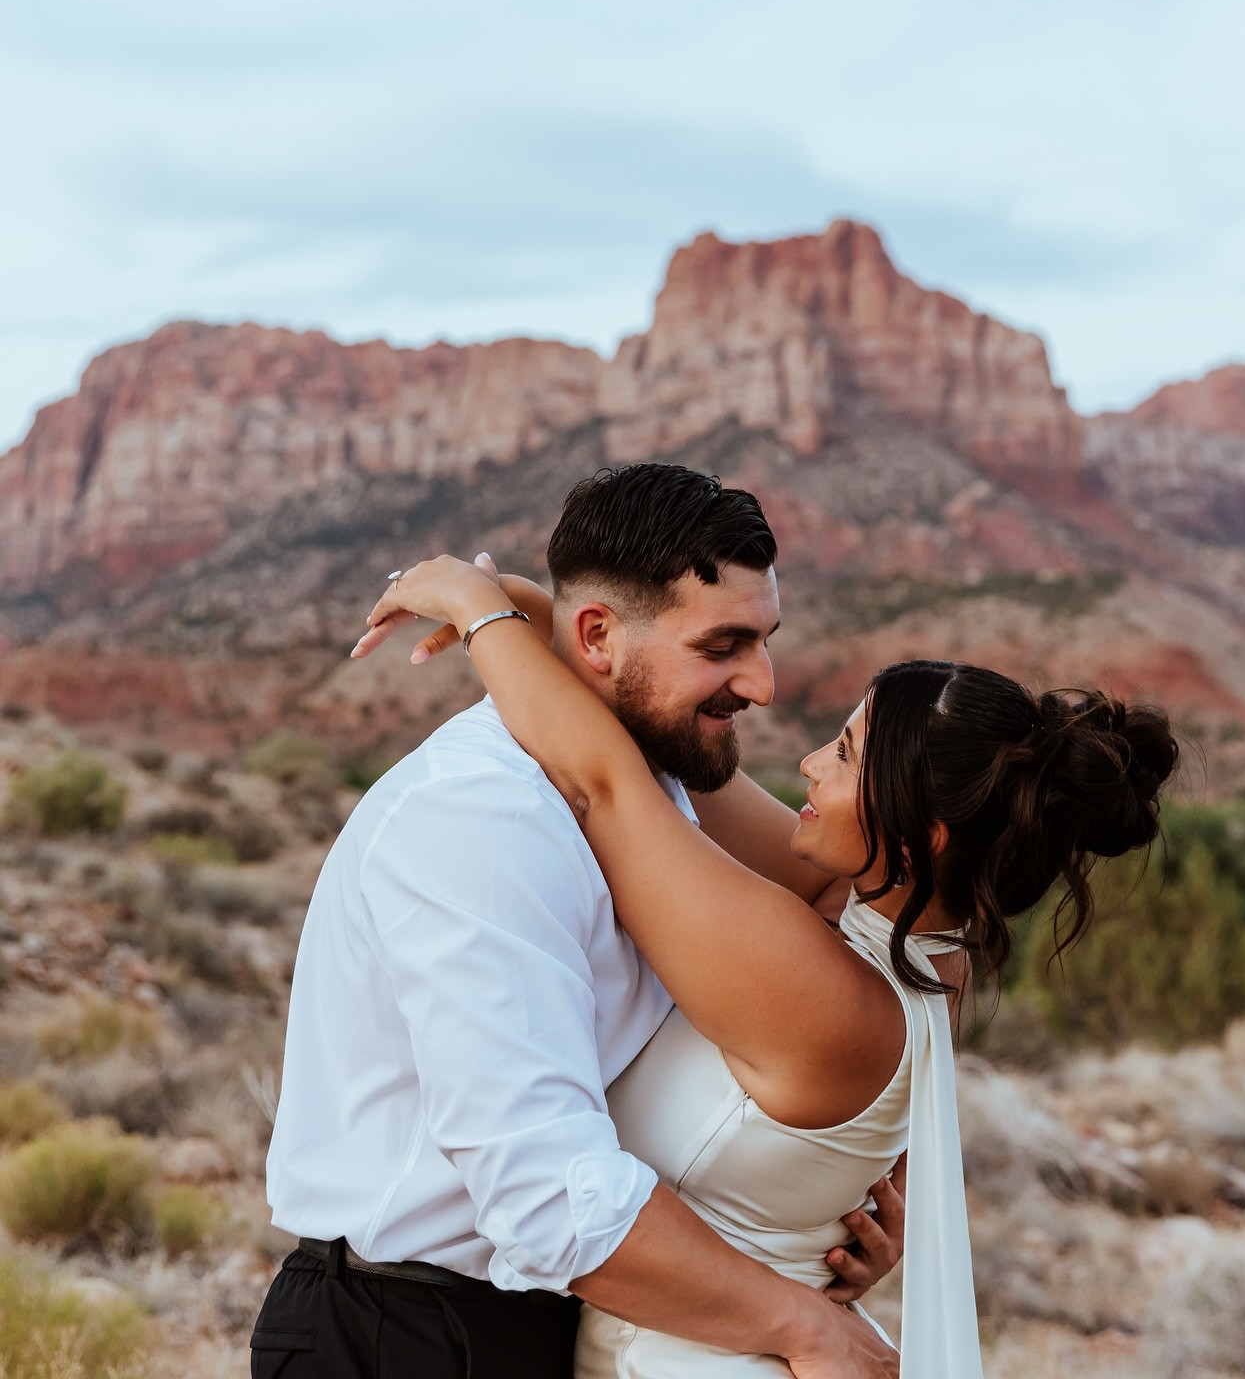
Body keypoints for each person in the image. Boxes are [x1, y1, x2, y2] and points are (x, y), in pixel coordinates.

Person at [363, 546, 1180, 1378]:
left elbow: (607, 783)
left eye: (847, 756)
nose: (810, 763)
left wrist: (479, 610)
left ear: (920, 833)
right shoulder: (929, 956)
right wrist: (554, 616)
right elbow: (664, 748)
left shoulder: (813, 983)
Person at [252, 465, 905, 1379]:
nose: (761, 683)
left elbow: (829, 912)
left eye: (764, 640)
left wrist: (815, 1208)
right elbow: (548, 1200)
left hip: (571, 1312)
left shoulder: (661, 788)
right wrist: (801, 1324)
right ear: (596, 636)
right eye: (722, 645)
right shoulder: (482, 819)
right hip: (410, 1337)